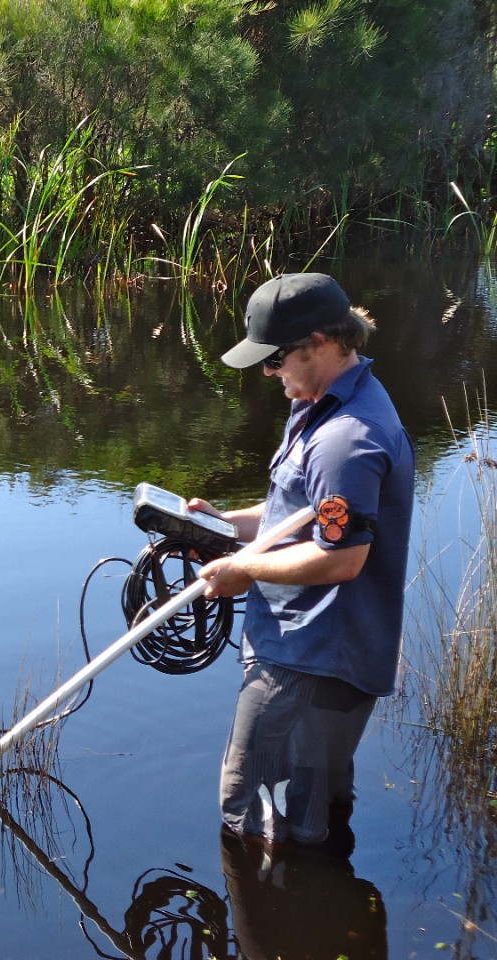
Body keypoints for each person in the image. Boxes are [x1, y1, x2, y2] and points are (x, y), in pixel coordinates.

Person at [189, 272, 415, 847]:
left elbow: (341, 560)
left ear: (321, 341)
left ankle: (279, 931)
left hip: (310, 661)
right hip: (316, 653)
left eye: (276, 359)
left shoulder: (345, 438)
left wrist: (242, 570)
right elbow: (299, 512)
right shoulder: (326, 401)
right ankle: (324, 918)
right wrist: (221, 526)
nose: (268, 372)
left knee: (251, 818)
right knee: (313, 816)